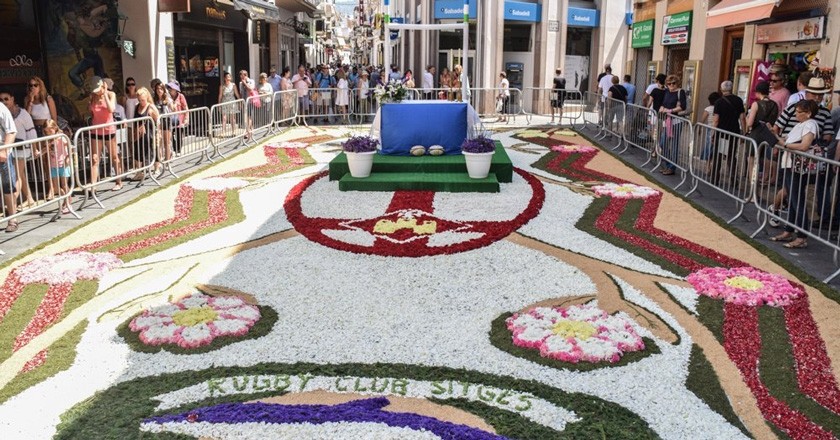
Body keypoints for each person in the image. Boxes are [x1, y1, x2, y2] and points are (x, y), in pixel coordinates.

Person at [768, 99, 820, 249]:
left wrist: (785, 144)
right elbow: (788, 140)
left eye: (799, 112)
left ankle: (802, 236)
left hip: (798, 167)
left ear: (808, 113)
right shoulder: (800, 124)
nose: (796, 114)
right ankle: (789, 230)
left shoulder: (810, 124)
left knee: (797, 200)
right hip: (791, 164)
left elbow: (804, 145)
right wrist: (775, 136)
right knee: (792, 200)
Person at [0, 90, 37, 209]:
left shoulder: (23, 113)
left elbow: (31, 131)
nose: (4, 102)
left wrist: (34, 147)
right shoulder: (3, 113)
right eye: (1, 100)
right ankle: (30, 198)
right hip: (11, 148)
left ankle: (12, 202)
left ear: (12, 99)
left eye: (6, 99)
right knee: (21, 174)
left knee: (16, 175)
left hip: (22, 147)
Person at [89, 76, 122, 191]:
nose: (97, 92)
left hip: (109, 130)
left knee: (113, 156)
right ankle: (93, 185)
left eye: (98, 89)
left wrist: (105, 94)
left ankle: (119, 181)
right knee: (94, 158)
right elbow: (92, 112)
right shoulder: (92, 96)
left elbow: (111, 109)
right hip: (96, 130)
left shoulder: (111, 94)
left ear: (102, 86)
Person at [711, 80, 746, 187]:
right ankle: (734, 180)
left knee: (718, 156)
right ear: (731, 89)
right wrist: (744, 133)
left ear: (722, 90)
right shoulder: (738, 100)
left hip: (721, 132)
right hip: (733, 131)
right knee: (731, 156)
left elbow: (716, 119)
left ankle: (714, 179)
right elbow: (742, 118)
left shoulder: (719, 102)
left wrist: (713, 133)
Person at [745, 81, 779, 186]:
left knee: (752, 161)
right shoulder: (774, 105)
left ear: (757, 92)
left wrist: (746, 118)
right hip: (768, 134)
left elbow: (750, 123)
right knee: (764, 159)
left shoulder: (756, 104)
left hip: (756, 134)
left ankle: (753, 186)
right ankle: (762, 182)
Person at [658, 75, 688, 176]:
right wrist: (662, 108)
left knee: (674, 145)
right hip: (667, 120)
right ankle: (668, 164)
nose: (671, 85)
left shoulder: (680, 92)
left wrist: (671, 110)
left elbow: (683, 106)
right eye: (669, 83)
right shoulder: (667, 91)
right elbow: (663, 103)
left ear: (677, 83)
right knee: (663, 143)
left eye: (673, 83)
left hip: (676, 121)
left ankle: (672, 167)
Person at [44, 119, 72, 215]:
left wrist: (68, 157)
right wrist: (39, 153)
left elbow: (69, 146)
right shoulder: (49, 140)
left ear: (55, 128)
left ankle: (68, 202)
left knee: (64, 184)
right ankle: (66, 197)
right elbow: (45, 150)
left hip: (62, 164)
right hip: (53, 165)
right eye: (47, 131)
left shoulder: (61, 137)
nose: (49, 133)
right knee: (56, 187)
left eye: (50, 130)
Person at [131, 87, 158, 181]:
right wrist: (134, 133)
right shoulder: (136, 107)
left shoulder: (151, 107)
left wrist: (158, 133)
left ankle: (149, 170)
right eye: (139, 100)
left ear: (146, 97)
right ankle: (139, 172)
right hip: (138, 134)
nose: (141, 102)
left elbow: (158, 120)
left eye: (142, 100)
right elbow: (134, 120)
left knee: (148, 152)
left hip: (149, 133)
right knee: (137, 152)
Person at [0, 101, 18, 232]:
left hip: (2, 154)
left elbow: (11, 131)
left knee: (8, 186)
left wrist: (4, 151)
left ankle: (13, 219)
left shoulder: (1, 108)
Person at [152, 79, 174, 174]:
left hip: (166, 121)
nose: (159, 90)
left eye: (161, 88)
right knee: (159, 143)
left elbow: (173, 108)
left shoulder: (167, 99)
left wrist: (172, 105)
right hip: (158, 122)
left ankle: (167, 162)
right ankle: (159, 163)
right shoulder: (154, 99)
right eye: (157, 89)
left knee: (167, 143)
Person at [699, 92, 722, 175]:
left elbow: (702, 120)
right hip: (718, 129)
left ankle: (707, 167)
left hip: (710, 129)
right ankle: (711, 166)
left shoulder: (708, 109)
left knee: (709, 147)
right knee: (715, 149)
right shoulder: (720, 108)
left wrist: (700, 128)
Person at [167, 80, 189, 155]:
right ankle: (174, 148)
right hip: (170, 119)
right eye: (169, 87)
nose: (170, 89)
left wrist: (186, 118)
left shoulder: (181, 96)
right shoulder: (167, 96)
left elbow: (185, 107)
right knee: (171, 135)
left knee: (179, 134)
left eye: (172, 88)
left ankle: (178, 150)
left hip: (179, 119)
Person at [218, 71, 241, 135]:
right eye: (227, 77)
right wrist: (219, 104)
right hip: (224, 102)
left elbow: (236, 94)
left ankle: (233, 131)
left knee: (232, 117)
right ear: (225, 78)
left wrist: (240, 101)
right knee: (224, 118)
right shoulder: (222, 86)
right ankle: (223, 132)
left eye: (229, 77)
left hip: (232, 102)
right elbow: (220, 95)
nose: (228, 78)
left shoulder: (233, 85)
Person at [239, 70, 256, 138]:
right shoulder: (240, 83)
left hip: (250, 101)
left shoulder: (251, 81)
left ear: (246, 75)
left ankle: (247, 131)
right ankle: (251, 129)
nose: (242, 77)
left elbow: (251, 89)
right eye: (240, 75)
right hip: (244, 101)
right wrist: (240, 102)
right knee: (246, 116)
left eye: (243, 75)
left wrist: (245, 83)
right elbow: (241, 93)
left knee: (249, 116)